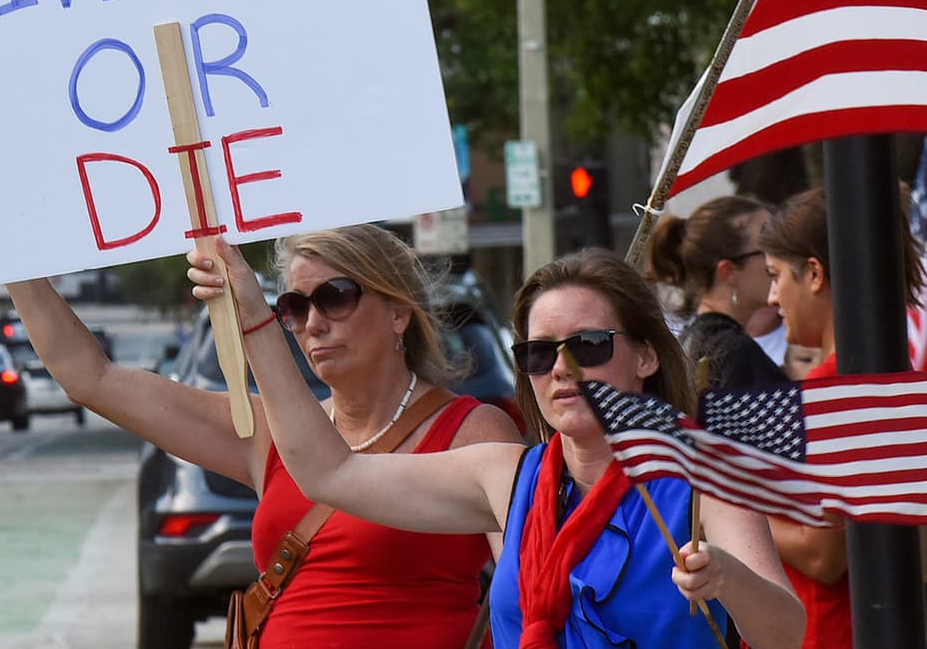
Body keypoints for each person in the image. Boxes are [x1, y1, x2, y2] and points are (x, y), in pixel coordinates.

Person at [190, 240, 804, 648]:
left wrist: (726, 579)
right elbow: (326, 472)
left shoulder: (704, 475)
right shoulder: (505, 476)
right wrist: (255, 316)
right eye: (539, 353)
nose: (561, 370)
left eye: (588, 346)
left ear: (645, 355)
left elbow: (786, 631)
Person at [7, 224, 521, 648]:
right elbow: (90, 378)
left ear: (399, 312)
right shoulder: (267, 433)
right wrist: (6, 257)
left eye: (334, 297)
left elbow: (530, 584)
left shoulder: (474, 432)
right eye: (295, 308)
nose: (312, 323)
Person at [761, 185, 927, 649]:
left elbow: (823, 555)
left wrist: (737, 512)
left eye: (776, 276)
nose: (772, 297)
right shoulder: (892, 374)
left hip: (831, 630)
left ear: (813, 273)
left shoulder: (832, 390)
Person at [646, 195, 788, 390]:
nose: (780, 258)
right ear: (728, 272)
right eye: (768, 248)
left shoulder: (699, 341)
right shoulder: (733, 352)